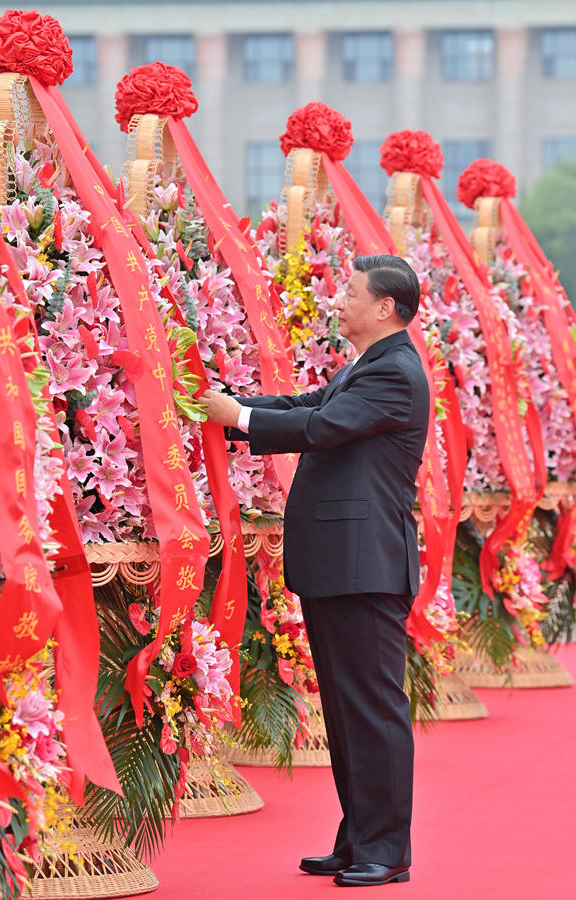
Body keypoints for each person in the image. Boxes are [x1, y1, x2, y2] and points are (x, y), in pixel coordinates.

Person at [201, 254, 429, 888]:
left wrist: (238, 420)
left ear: (385, 307)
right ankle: (358, 838)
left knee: (373, 710)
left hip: (365, 567)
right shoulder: (370, 365)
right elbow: (303, 402)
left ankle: (386, 848)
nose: (341, 299)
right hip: (340, 565)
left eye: (352, 292)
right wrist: (227, 404)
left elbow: (322, 426)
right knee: (345, 707)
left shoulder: (396, 374)